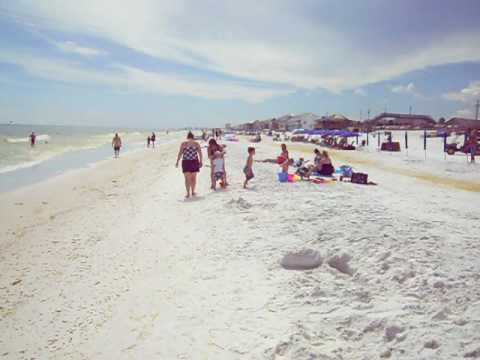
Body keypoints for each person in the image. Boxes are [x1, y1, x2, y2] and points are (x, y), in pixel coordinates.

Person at [176, 131, 203, 198]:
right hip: (194, 162)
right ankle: (193, 192)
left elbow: (180, 153)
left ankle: (188, 193)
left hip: (186, 162)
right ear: (193, 137)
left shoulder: (184, 144)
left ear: (187, 137)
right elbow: (200, 153)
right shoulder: (196, 144)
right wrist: (201, 161)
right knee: (193, 178)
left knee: (187, 179)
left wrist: (177, 161)